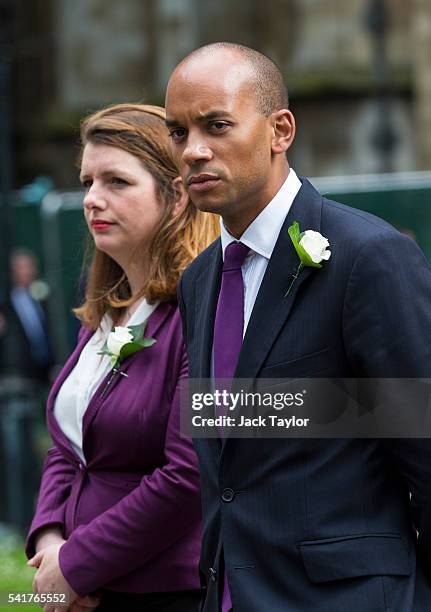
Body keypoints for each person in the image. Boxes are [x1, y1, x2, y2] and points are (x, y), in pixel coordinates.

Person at [165, 42, 431, 612]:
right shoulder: (199, 281)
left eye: (216, 125)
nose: (193, 151)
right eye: (178, 132)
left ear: (280, 130)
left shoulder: (368, 256)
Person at [25, 103, 219, 611]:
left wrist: (79, 564)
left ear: (176, 197)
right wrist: (50, 544)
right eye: (88, 181)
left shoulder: (200, 313)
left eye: (116, 182)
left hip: (166, 593)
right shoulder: (106, 315)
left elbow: (189, 474)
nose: (92, 199)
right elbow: (68, 446)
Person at [0, 248, 54, 384]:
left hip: (45, 366)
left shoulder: (41, 297)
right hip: (19, 371)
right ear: (13, 272)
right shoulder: (6, 302)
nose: (27, 271)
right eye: (21, 267)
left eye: (30, 266)